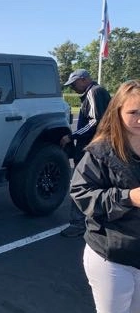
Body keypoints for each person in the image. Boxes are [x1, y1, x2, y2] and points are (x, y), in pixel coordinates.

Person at [70, 79, 140, 313]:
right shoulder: (101, 152)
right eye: (133, 112)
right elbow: (81, 194)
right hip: (111, 254)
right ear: (118, 113)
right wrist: (128, 197)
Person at [60, 69, 111, 237]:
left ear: (84, 80)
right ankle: (100, 221)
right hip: (100, 147)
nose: (73, 88)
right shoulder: (98, 92)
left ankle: (78, 224)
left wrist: (72, 135)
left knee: (78, 185)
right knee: (99, 185)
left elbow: (95, 121)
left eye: (74, 83)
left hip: (91, 148)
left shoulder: (93, 92)